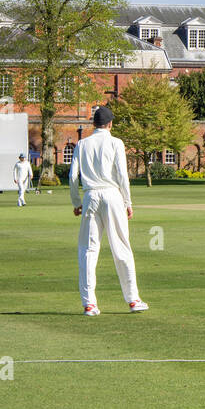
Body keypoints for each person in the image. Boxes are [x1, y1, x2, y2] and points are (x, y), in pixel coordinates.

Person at [70, 105, 148, 316]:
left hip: (91, 195)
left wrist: (76, 202)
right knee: (121, 247)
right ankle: (133, 300)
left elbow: (72, 176)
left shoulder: (82, 144)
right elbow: (122, 175)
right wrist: (127, 202)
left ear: (93, 124)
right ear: (110, 124)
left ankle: (89, 304)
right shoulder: (116, 142)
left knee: (88, 250)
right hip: (112, 195)